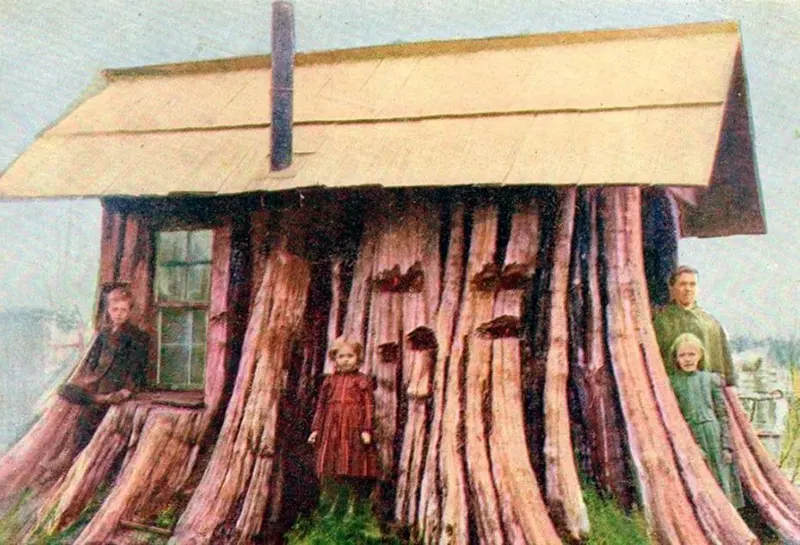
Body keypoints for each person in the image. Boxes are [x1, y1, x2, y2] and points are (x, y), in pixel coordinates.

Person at [58, 285, 150, 450]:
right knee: (64, 390)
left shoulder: (137, 336)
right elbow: (92, 360)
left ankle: (70, 454)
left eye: (123, 310)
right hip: (97, 382)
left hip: (116, 383)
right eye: (115, 309)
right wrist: (87, 379)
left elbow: (138, 367)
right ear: (108, 310)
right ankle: (99, 399)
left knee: (87, 418)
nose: (119, 313)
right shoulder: (104, 334)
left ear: (130, 311)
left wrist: (127, 389)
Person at [669, 333, 744, 508]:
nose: (687, 359)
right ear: (676, 358)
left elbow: (722, 414)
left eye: (691, 354)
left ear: (700, 355)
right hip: (691, 435)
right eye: (682, 355)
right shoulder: (672, 382)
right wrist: (690, 444)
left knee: (721, 480)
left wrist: (726, 445)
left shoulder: (711, 379)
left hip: (713, 436)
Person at [653, 265, 737, 386]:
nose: (688, 289)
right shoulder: (661, 321)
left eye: (692, 284)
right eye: (683, 284)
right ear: (672, 288)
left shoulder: (710, 323)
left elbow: (726, 370)